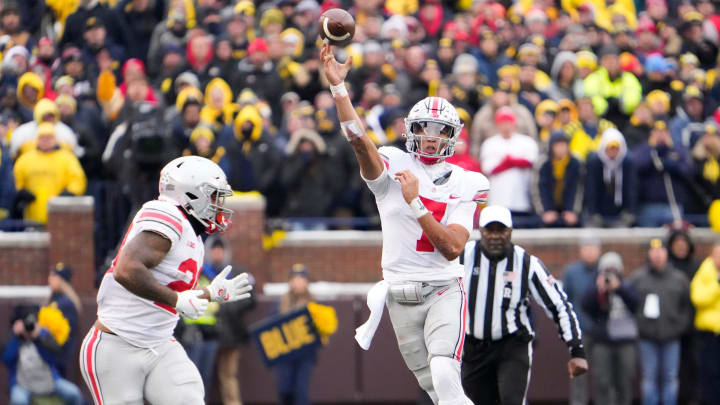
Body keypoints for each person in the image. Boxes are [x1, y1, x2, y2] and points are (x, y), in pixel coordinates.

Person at [322, 44, 487, 405]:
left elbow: (452, 248)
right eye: (423, 128)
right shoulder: (393, 163)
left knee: (445, 370)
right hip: (399, 292)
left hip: (444, 288)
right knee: (437, 389)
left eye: (439, 130)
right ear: (410, 130)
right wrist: (339, 90)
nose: (430, 136)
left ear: (452, 136)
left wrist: (414, 202)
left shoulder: (466, 180)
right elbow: (358, 140)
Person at [78, 156, 253, 405]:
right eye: (213, 196)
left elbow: (169, 294)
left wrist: (209, 294)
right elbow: (127, 270)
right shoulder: (165, 213)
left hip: (160, 343)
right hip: (118, 347)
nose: (218, 204)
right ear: (191, 194)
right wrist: (177, 298)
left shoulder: (192, 233)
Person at [460, 205, 588, 405]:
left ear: (510, 232)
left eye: (500, 230)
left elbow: (558, 305)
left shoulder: (526, 263)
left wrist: (576, 349)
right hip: (473, 347)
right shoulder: (463, 256)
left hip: (511, 344)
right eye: (489, 230)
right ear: (481, 231)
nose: (495, 236)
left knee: (512, 400)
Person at [630, 238, 692, 405]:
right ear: (649, 254)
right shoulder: (638, 278)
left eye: (661, 251)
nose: (657, 255)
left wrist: (679, 327)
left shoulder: (679, 278)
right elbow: (630, 305)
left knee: (670, 377)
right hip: (646, 337)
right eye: (654, 251)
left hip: (671, 337)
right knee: (649, 377)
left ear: (666, 253)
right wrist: (640, 326)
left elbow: (687, 306)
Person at [582, 252, 639, 405]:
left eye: (613, 270)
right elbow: (586, 307)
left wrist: (619, 288)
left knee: (625, 381)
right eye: (607, 270)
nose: (610, 275)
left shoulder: (628, 285)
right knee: (602, 382)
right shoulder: (595, 286)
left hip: (625, 341)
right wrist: (598, 290)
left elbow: (636, 305)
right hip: (603, 341)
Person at [2, 304, 83, 405]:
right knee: (19, 401)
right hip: (22, 384)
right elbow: (7, 360)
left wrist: (37, 338)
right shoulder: (14, 337)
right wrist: (16, 337)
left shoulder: (42, 334)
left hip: (50, 381)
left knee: (74, 393)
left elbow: (54, 356)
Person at [562, 236, 602, 405]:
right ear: (580, 250)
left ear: (599, 251)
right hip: (578, 333)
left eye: (593, 248)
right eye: (587, 248)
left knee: (602, 375)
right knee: (578, 375)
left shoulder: (604, 271)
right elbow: (565, 301)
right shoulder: (571, 272)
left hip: (602, 332)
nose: (590, 252)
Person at [274, 264, 317, 405]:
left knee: (301, 392)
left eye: (301, 279)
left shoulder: (313, 303)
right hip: (285, 355)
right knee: (284, 390)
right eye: (295, 278)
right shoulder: (281, 303)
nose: (298, 282)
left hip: (305, 355)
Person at [690, 242, 720, 405]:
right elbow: (698, 299)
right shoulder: (705, 272)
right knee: (709, 372)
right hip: (708, 333)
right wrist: (717, 285)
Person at [46, 262, 81, 377]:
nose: (49, 279)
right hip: (52, 350)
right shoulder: (54, 298)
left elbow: (66, 333)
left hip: (60, 355)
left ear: (61, 280)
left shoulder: (65, 303)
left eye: (53, 276)